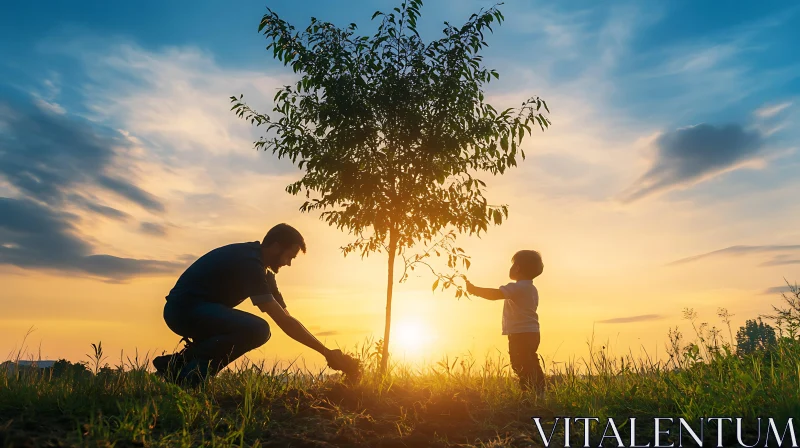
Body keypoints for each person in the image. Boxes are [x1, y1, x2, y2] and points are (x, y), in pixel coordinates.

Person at [153, 223, 359, 386]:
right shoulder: (250, 263)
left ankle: (181, 368)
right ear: (276, 246)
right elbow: (284, 323)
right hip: (184, 310)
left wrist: (327, 352)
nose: (289, 263)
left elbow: (287, 318)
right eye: (290, 256)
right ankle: (186, 372)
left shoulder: (264, 272)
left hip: (199, 311)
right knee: (258, 329)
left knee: (256, 330)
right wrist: (325, 352)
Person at [465, 250, 545, 393]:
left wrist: (474, 290)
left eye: (513, 264)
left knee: (520, 363)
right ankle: (537, 390)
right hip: (532, 332)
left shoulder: (518, 287)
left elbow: (495, 294)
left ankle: (530, 391)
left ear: (518, 268)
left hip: (521, 333)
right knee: (529, 361)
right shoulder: (531, 288)